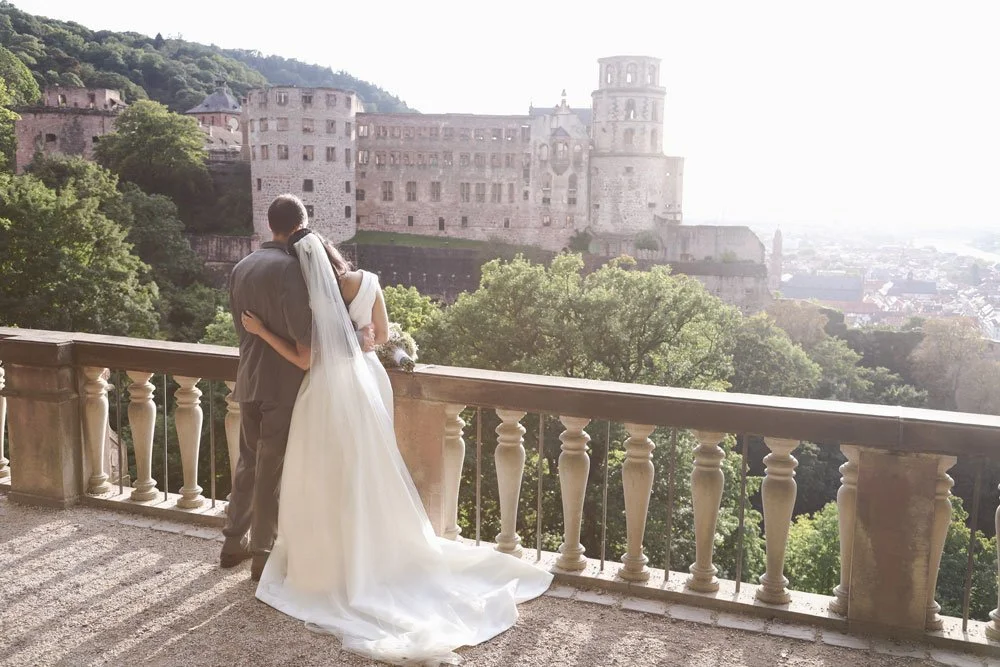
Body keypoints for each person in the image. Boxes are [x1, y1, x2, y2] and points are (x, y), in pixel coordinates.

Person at [240, 226, 553, 665]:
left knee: (324, 476)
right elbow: (381, 337)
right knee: (371, 470)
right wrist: (365, 337)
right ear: (332, 250)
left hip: (326, 391)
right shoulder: (366, 282)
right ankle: (377, 553)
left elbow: (304, 358)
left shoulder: (310, 295)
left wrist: (261, 332)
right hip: (368, 384)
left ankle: (332, 564)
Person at [220, 194, 375, 580]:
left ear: (268, 224)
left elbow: (243, 330)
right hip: (283, 384)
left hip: (249, 378)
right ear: (300, 225)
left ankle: (231, 542)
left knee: (247, 464)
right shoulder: (291, 270)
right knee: (271, 470)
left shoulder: (241, 267)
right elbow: (306, 346)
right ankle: (261, 554)